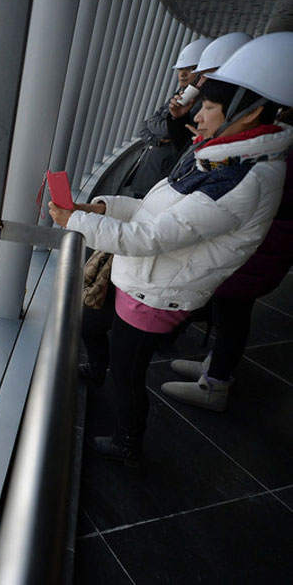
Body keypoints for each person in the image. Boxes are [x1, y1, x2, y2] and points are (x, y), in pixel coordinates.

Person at [49, 32, 293, 464]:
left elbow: (151, 237)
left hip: (157, 294)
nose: (196, 119)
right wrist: (100, 206)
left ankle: (128, 443)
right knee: (99, 332)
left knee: (127, 375)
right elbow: (152, 209)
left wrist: (77, 222)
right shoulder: (225, 159)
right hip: (147, 281)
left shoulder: (239, 180)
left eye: (209, 109)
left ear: (249, 114)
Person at [161, 110, 293, 411]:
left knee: (232, 315)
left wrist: (214, 148)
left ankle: (214, 384)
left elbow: (245, 185)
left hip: (261, 248)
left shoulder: (277, 150)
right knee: (232, 314)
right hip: (267, 245)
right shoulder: (280, 145)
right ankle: (217, 366)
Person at [124, 38, 212, 198]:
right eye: (180, 69)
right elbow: (145, 125)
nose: (183, 74)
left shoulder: (199, 102)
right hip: (151, 170)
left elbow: (167, 130)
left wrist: (156, 129)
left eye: (190, 69)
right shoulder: (181, 93)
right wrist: (156, 138)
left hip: (162, 174)